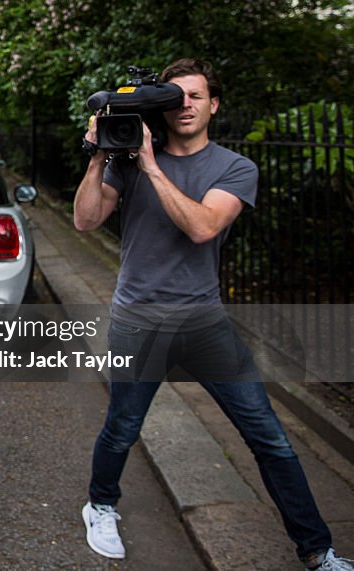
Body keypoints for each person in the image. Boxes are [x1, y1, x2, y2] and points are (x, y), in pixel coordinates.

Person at [73, 58, 352, 570]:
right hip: (139, 319)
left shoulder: (234, 168)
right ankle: (102, 505)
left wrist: (152, 166)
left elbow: (203, 227)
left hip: (203, 321)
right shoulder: (125, 157)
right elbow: (86, 221)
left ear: (212, 105)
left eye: (195, 96)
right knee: (122, 427)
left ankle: (317, 551)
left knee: (268, 436)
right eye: (175, 96)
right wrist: (97, 156)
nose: (184, 105)